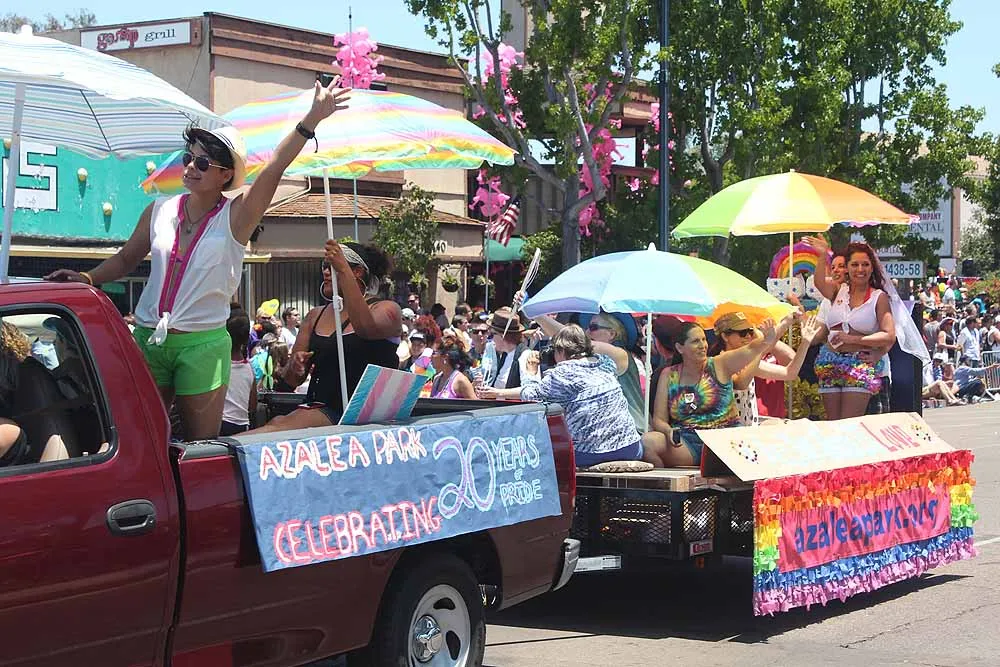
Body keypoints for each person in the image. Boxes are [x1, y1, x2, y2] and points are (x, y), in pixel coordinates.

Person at [44, 80, 351, 440]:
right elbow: (126, 259)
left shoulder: (236, 215)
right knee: (140, 437)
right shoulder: (159, 209)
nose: (191, 167)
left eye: (203, 162)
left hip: (202, 343)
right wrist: (88, 278)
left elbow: (275, 166)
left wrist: (311, 119)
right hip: (149, 338)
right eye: (188, 157)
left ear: (226, 174)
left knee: (199, 443)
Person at [249, 240, 401, 432]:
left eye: (332, 266)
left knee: (280, 428)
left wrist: (343, 269)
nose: (326, 272)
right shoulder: (315, 315)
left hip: (362, 419)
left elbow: (365, 327)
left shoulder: (386, 309)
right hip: (317, 409)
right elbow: (292, 380)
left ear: (357, 272)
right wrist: (295, 366)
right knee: (278, 423)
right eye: (324, 266)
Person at [479, 325, 668, 468]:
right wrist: (498, 393)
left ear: (561, 351)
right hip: (630, 447)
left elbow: (532, 395)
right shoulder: (605, 364)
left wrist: (530, 373)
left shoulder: (562, 373)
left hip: (590, 454)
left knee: (539, 451)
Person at [641, 320, 779, 467]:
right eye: (695, 341)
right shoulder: (668, 375)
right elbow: (659, 419)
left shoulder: (720, 363)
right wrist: (668, 431)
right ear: (680, 348)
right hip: (687, 442)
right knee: (648, 442)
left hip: (724, 440)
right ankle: (665, 482)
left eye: (704, 339)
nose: (703, 345)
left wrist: (766, 339)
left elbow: (751, 349)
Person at [808, 241, 896, 420]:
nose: (860, 269)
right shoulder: (838, 290)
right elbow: (819, 283)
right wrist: (822, 255)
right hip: (830, 361)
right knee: (833, 424)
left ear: (872, 267)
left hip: (859, 363)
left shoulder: (878, 297)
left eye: (865, 264)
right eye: (855, 264)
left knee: (849, 424)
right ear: (847, 267)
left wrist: (853, 340)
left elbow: (889, 335)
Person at [531, 310, 646, 432]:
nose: (586, 332)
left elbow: (570, 340)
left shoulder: (620, 354)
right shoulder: (591, 361)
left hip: (633, 430)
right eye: (586, 328)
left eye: (593, 327)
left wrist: (536, 314)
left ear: (612, 334)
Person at [714, 311, 822, 426]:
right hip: (729, 430)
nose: (748, 336)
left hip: (747, 429)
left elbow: (790, 373)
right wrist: (763, 343)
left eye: (750, 332)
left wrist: (805, 342)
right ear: (725, 336)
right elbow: (740, 384)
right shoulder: (720, 361)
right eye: (742, 333)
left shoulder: (747, 361)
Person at [221, 310, 257, 436]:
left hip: (219, 425)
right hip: (242, 427)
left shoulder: (217, 366)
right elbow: (252, 406)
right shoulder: (249, 368)